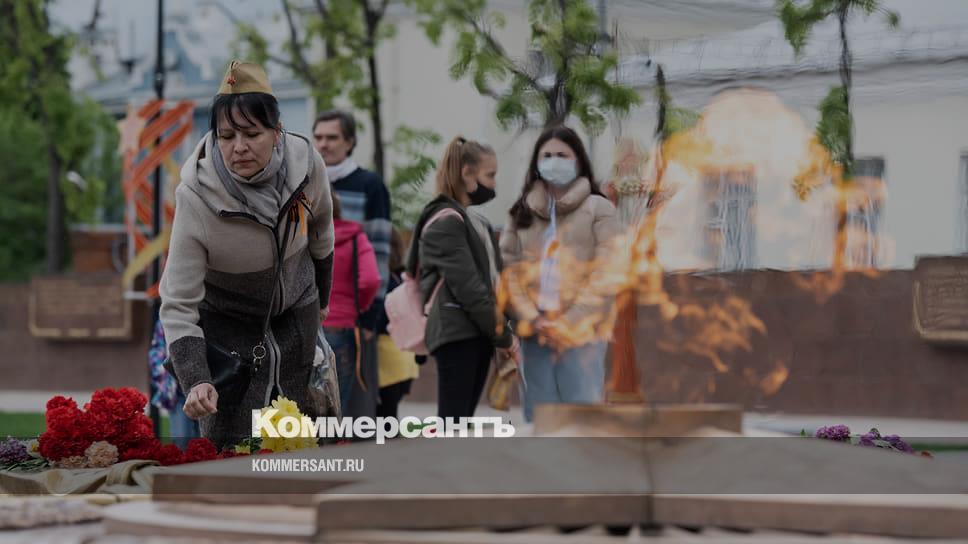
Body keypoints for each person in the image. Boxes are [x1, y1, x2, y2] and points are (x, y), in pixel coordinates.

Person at [160, 60, 334, 449]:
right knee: (236, 457)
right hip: (231, 342)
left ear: (277, 131)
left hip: (297, 326)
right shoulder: (195, 197)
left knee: (306, 453)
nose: (238, 147)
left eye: (252, 133)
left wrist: (322, 297)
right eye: (226, 135)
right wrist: (197, 378)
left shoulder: (308, 166)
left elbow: (322, 231)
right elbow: (178, 304)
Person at [500, 125, 620, 423]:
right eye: (547, 155)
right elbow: (509, 270)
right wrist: (532, 318)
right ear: (536, 163)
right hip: (535, 331)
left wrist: (570, 321)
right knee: (540, 417)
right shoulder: (520, 212)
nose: (554, 161)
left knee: (582, 416)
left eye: (562, 155)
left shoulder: (599, 208)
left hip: (583, 332)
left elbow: (608, 270)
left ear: (578, 160)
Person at [406, 137, 519, 419]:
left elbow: (494, 283)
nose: (494, 184)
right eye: (490, 175)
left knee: (460, 424)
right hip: (457, 334)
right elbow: (471, 290)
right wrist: (505, 337)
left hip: (476, 332)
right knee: (453, 425)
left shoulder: (474, 221)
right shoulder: (446, 221)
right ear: (467, 173)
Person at [313, 110, 391, 417]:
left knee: (348, 402)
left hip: (351, 313)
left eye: (332, 137)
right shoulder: (304, 181)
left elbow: (380, 254)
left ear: (349, 142)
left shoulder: (369, 185)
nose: (323, 144)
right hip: (307, 314)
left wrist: (371, 316)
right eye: (318, 137)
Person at [322, 192, 381, 415]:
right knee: (336, 405)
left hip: (306, 329)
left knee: (302, 403)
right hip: (341, 328)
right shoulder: (356, 238)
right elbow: (370, 280)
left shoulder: (304, 236)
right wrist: (358, 307)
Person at [375, 228, 419, 419]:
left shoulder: (382, 280)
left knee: (384, 415)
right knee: (389, 414)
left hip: (385, 355)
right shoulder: (403, 279)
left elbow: (379, 319)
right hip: (406, 356)